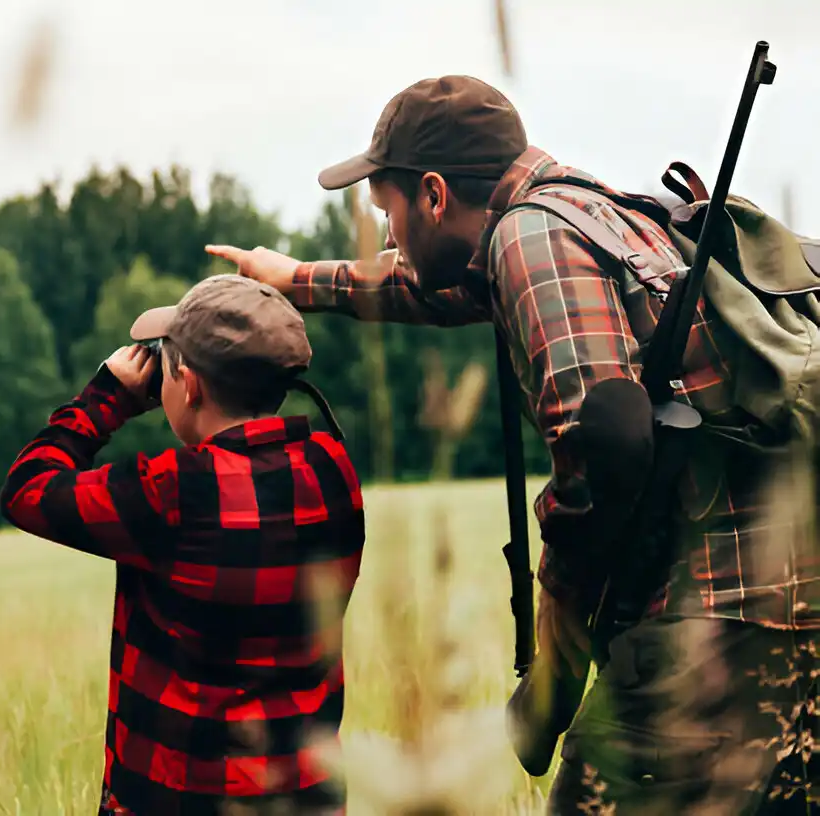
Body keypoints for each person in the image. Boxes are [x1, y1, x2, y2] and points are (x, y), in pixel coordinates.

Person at [206, 75, 820, 813]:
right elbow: (430, 287)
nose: (391, 234)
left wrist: (551, 685)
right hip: (789, 620)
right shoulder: (587, 212)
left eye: (389, 212)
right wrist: (297, 280)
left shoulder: (532, 241)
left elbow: (606, 461)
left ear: (433, 195)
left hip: (715, 638)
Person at [0, 274, 366, 816]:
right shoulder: (333, 469)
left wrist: (107, 400)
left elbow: (27, 489)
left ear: (189, 385)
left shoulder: (174, 493)